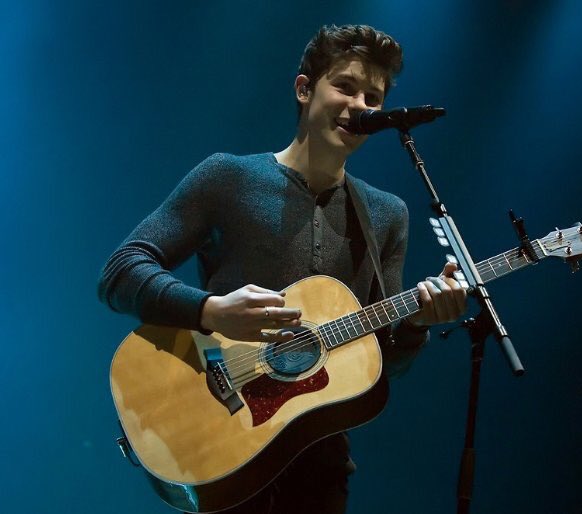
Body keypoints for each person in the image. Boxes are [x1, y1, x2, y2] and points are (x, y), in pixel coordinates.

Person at [98, 24, 466, 513]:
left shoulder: (385, 215)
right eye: (346, 86)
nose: (360, 105)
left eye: (373, 97)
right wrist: (210, 310)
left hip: (320, 467)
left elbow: (380, 363)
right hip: (222, 443)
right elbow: (121, 271)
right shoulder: (228, 177)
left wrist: (417, 324)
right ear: (304, 89)